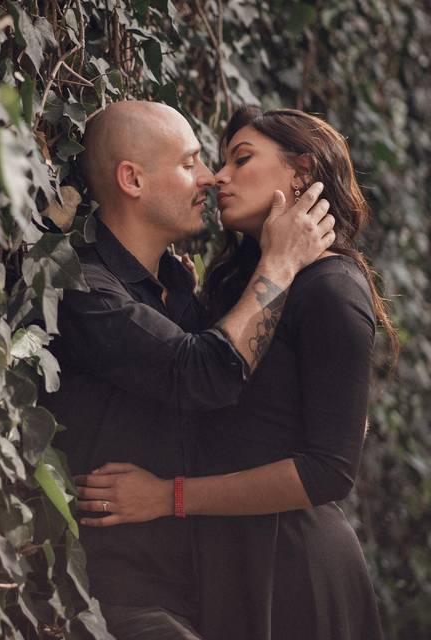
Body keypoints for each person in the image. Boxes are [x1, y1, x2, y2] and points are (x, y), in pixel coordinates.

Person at [73, 106, 393, 639]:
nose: (216, 177)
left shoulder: (330, 287)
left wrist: (171, 495)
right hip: (220, 566)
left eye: (239, 159)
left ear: (301, 172)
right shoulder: (225, 290)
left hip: (293, 568)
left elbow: (331, 469)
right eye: (206, 162)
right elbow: (205, 372)